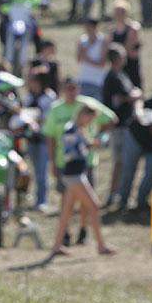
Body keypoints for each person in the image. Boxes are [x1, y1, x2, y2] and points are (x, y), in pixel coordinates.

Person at [44, 77, 117, 244]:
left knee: (69, 209)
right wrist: (89, 144)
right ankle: (100, 245)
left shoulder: (80, 126)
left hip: (81, 169)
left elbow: (110, 120)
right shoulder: (70, 127)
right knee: (93, 205)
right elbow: (70, 148)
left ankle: (60, 243)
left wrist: (95, 139)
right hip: (73, 172)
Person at [102, 43, 141, 207]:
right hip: (119, 127)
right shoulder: (113, 78)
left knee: (123, 161)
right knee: (120, 161)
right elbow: (124, 97)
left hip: (126, 125)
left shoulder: (121, 75)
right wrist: (136, 95)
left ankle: (119, 193)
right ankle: (114, 194)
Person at [25, 69, 56, 212]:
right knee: (32, 169)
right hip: (30, 138)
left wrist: (37, 118)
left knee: (42, 171)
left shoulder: (49, 97)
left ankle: (42, 200)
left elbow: (50, 118)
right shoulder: (28, 96)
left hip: (44, 139)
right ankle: (32, 196)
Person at [110, 0, 142, 88]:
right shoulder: (112, 30)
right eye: (117, 12)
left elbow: (129, 49)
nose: (119, 14)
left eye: (122, 11)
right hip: (117, 67)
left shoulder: (133, 28)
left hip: (131, 65)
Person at [76, 18, 109, 100]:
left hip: (98, 81)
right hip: (83, 80)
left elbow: (102, 64)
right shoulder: (82, 40)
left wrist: (86, 58)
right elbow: (79, 59)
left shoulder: (103, 41)